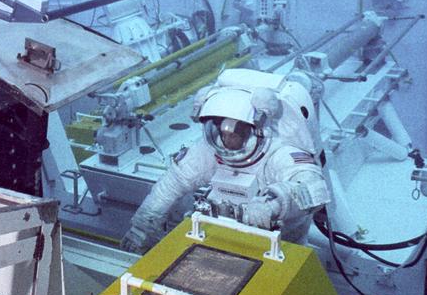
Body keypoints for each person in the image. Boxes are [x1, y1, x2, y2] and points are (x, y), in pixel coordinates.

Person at [120, 71, 331, 252]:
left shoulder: (279, 153)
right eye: (223, 132)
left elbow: (314, 190)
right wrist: (141, 228)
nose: (227, 139)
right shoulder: (209, 150)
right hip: (221, 240)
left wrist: (273, 206)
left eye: (235, 133)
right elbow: (169, 186)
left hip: (282, 246)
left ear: (254, 130)